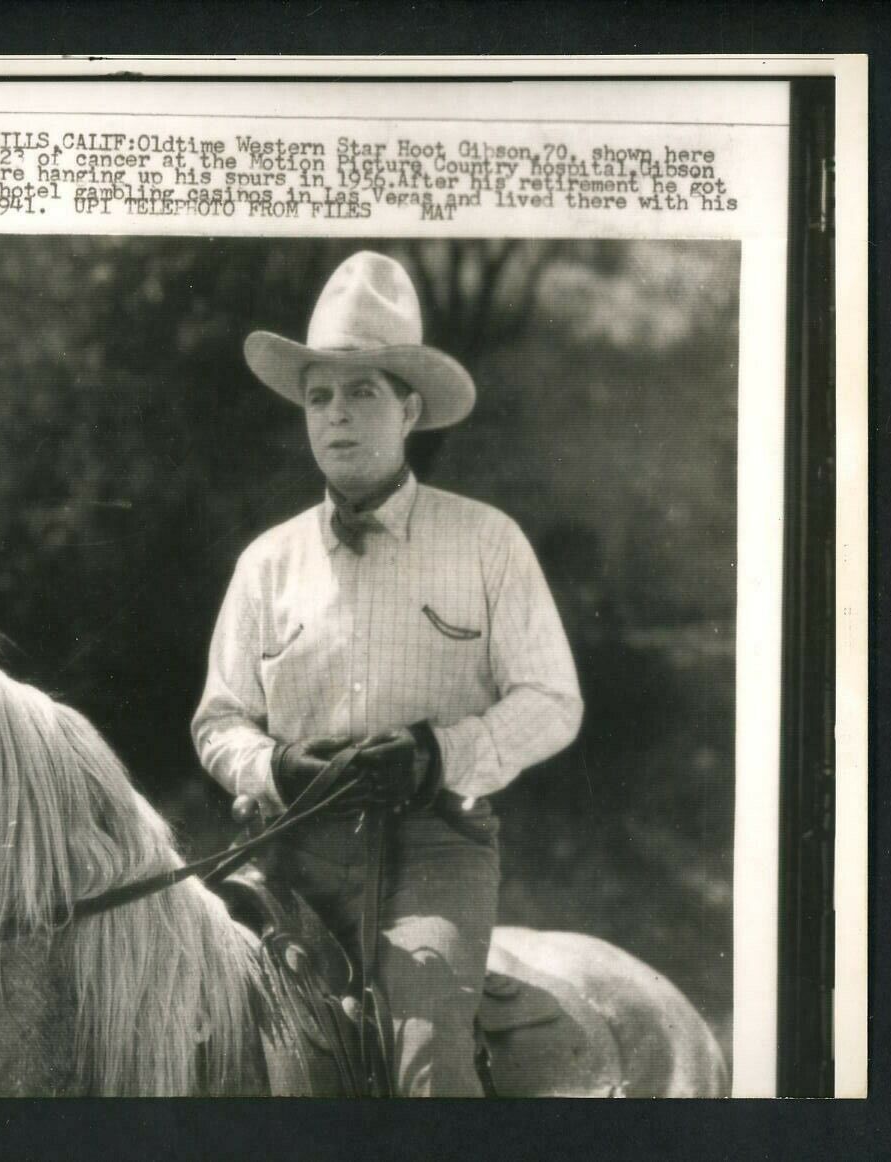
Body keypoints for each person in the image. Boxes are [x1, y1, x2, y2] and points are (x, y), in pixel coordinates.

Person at [192, 250, 583, 1096]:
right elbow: (220, 719)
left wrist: (441, 754)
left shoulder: (487, 542)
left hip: (434, 851)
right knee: (181, 1027)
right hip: (284, 853)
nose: (336, 414)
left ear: (410, 410)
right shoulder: (268, 563)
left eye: (362, 390)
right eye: (318, 395)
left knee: (426, 1064)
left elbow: (553, 701)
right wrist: (276, 767)